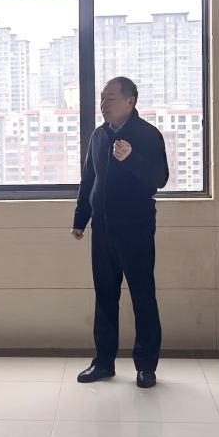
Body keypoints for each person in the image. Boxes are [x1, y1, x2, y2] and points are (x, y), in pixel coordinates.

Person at [72, 76, 170, 389]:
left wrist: (131, 159)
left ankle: (146, 367)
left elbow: (159, 178)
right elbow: (89, 180)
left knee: (142, 296)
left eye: (110, 98)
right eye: (102, 98)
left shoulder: (147, 134)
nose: (103, 104)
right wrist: (80, 219)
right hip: (102, 229)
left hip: (135, 229)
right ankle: (103, 362)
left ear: (130, 101)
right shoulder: (98, 135)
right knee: (104, 297)